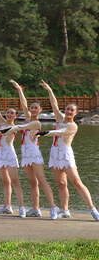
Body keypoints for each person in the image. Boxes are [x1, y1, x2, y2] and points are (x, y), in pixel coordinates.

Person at [37, 81, 99, 220]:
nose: (69, 111)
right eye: (67, 109)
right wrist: (50, 90)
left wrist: (43, 133)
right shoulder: (59, 119)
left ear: (76, 113)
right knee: (61, 183)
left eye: (72, 110)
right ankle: (65, 210)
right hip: (54, 154)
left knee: (76, 182)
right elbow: (54, 105)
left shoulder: (72, 126)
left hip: (65, 154)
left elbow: (58, 133)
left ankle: (92, 208)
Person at [7, 80, 57, 218]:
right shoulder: (27, 119)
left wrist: (49, 90)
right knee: (32, 182)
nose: (33, 109)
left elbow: (22, 128)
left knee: (42, 180)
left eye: (36, 108)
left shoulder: (37, 122)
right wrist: (19, 89)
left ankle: (53, 207)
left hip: (34, 153)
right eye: (32, 107)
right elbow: (23, 103)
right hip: (25, 154)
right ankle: (36, 208)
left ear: (40, 110)